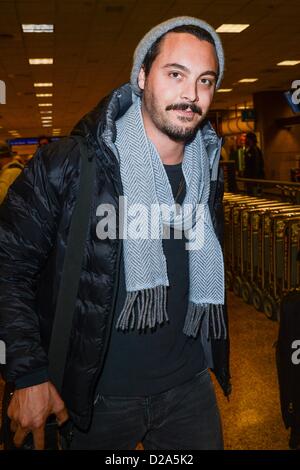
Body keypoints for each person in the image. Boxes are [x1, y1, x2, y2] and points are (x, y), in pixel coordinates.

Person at [0, 16, 231, 450]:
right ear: (142, 77)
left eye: (206, 80)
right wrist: (27, 372)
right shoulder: (71, 164)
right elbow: (6, 266)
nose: (191, 94)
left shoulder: (208, 170)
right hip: (92, 399)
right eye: (175, 74)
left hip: (188, 390)